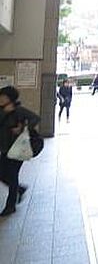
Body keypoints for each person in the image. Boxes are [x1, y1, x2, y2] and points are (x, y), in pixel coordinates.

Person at [0, 85, 40, 217]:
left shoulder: (19, 110)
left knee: (12, 175)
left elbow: (35, 118)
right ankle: (19, 189)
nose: (1, 99)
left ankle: (10, 206)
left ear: (10, 98)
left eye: (3, 96)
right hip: (5, 148)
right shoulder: (1, 111)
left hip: (18, 149)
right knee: (2, 174)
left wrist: (23, 127)